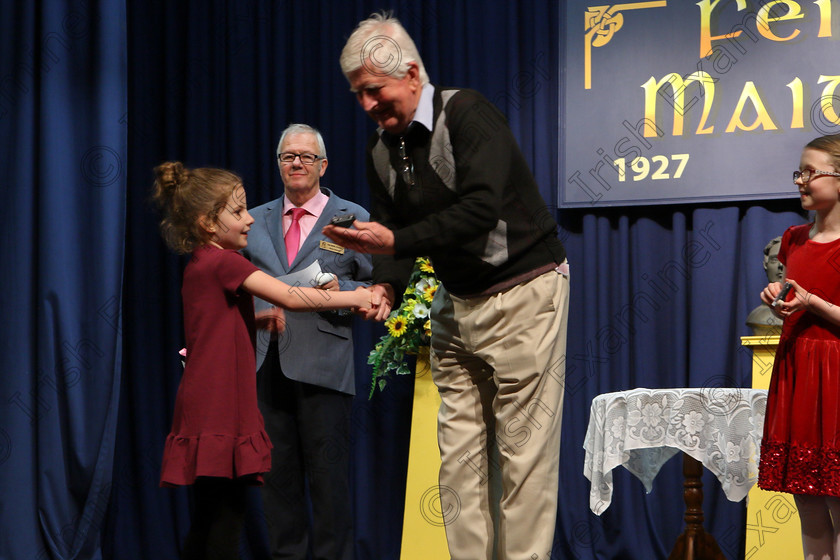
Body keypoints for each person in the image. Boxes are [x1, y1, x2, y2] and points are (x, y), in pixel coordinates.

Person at [324, 14, 570, 560]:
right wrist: (387, 286)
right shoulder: (380, 151)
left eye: (374, 90)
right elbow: (396, 237)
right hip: (455, 304)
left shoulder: (468, 113)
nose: (366, 105)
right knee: (457, 457)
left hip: (523, 292)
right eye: (357, 95)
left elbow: (481, 210)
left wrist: (392, 244)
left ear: (411, 74)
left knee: (522, 452)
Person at [152, 161, 373, 560]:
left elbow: (210, 325)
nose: (249, 219)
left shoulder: (203, 263)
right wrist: (356, 297)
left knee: (210, 517)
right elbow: (289, 296)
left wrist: (253, 320)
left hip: (206, 403)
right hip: (218, 407)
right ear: (206, 223)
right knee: (224, 520)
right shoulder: (226, 262)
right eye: (237, 212)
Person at [241, 124, 371, 560]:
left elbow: (375, 285)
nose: (296, 163)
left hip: (325, 366)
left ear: (323, 165)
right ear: (279, 164)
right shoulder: (251, 219)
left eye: (305, 157)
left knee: (330, 485)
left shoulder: (351, 218)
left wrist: (341, 284)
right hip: (266, 362)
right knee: (277, 483)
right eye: (287, 157)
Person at [757, 134, 840, 560]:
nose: (801, 181)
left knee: (838, 500)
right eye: (799, 172)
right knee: (805, 499)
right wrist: (778, 297)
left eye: (811, 172)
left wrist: (814, 303)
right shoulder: (792, 239)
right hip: (797, 373)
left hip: (837, 378)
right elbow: (794, 300)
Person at [745, 236, 784, 334]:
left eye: (786, 258)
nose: (780, 265)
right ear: (765, 265)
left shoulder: (805, 316)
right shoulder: (757, 316)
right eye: (775, 259)